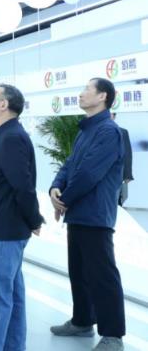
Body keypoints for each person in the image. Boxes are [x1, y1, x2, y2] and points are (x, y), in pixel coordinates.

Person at [50, 78, 126, 351]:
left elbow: (89, 174)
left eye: (86, 90)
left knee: (102, 275)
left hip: (95, 215)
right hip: (78, 213)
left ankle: (113, 335)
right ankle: (82, 321)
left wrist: (64, 200)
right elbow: (70, 165)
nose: (81, 94)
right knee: (79, 272)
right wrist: (55, 187)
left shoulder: (109, 132)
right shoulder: (86, 130)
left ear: (103, 96)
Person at [0, 84, 44, 351]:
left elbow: (22, 186)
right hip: (2, 227)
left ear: (4, 105)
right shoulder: (3, 134)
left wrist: (34, 219)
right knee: (10, 296)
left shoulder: (10, 137)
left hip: (3, 230)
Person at [111, 113, 133, 206]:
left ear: (114, 116)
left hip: (116, 176)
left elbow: (127, 154)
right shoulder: (92, 132)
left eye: (110, 114)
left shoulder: (122, 132)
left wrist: (127, 175)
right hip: (97, 177)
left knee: (116, 203)